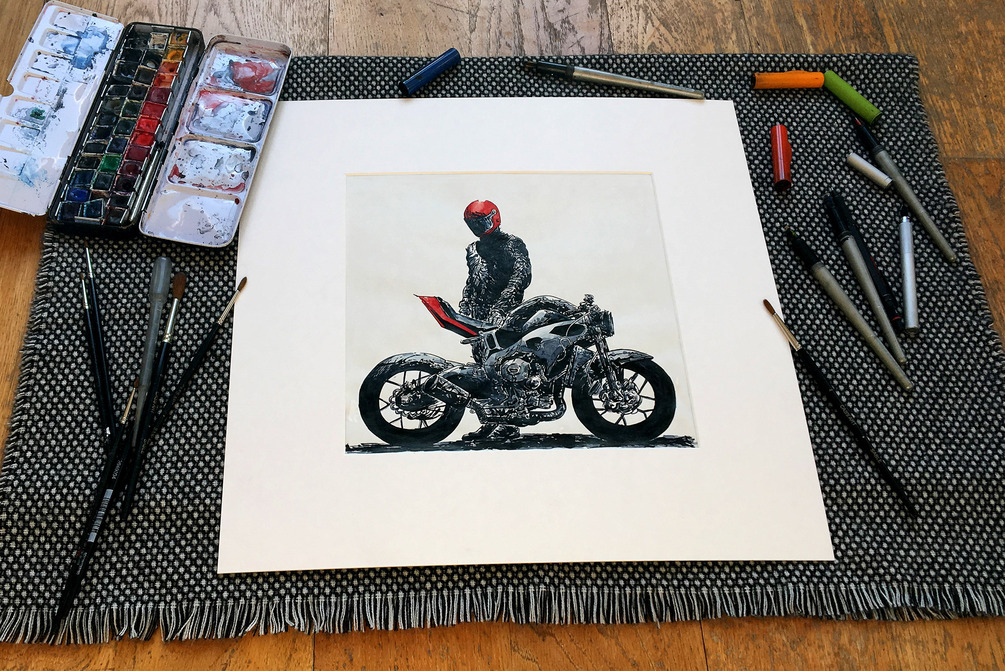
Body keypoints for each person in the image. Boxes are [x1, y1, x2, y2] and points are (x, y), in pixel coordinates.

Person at [457, 200, 532, 442]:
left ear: (494, 217)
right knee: (483, 369)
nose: (477, 227)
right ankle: (491, 421)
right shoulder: (472, 249)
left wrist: (501, 307)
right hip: (478, 315)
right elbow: (472, 280)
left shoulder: (512, 244)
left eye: (481, 221)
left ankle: (509, 424)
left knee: (505, 366)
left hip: (506, 313)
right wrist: (465, 304)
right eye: (472, 223)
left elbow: (521, 277)